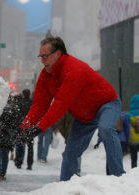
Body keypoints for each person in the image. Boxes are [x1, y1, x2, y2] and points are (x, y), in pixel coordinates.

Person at [19, 36, 125, 181]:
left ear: (58, 53)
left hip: (106, 104)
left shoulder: (74, 70)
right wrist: (24, 127)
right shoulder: (46, 76)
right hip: (84, 116)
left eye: (45, 57)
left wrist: (39, 128)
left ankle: (118, 178)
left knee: (105, 129)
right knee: (70, 153)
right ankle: (65, 186)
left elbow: (61, 104)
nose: (42, 61)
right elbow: (39, 105)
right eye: (40, 57)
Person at [14, 89, 34, 170]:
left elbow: (16, 115)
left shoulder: (19, 103)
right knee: (30, 146)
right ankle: (29, 164)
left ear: (23, 94)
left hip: (21, 125)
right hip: (30, 125)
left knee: (20, 143)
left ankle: (19, 162)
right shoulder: (32, 103)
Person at [127, 94, 139, 168]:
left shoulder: (128, 114)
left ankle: (134, 169)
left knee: (133, 158)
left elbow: (126, 128)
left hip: (133, 140)